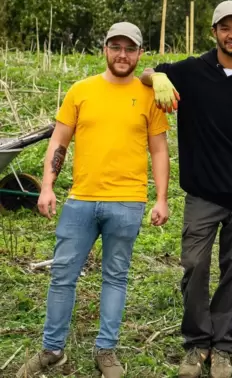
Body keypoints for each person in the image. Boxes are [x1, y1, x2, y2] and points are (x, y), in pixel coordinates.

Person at [16, 22, 170, 378]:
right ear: (104, 49)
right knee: (62, 276)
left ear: (139, 54)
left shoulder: (149, 96)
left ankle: (106, 350)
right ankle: (52, 350)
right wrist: (47, 186)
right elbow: (59, 141)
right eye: (115, 47)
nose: (122, 55)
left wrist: (160, 198)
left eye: (129, 49)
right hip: (80, 201)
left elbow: (159, 150)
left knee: (115, 277)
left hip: (128, 203)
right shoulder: (81, 90)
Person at [140, 1, 232, 378]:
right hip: (203, 195)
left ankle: (223, 347)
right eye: (225, 28)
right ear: (214, 31)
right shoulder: (191, 71)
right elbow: (145, 73)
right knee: (195, 266)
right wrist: (160, 78)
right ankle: (197, 344)